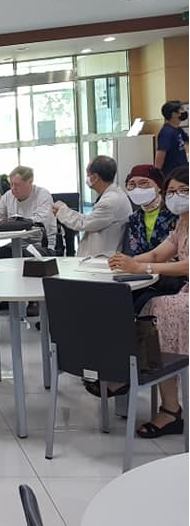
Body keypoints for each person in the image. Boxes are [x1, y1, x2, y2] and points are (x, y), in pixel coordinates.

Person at [108, 166, 189, 438]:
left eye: (184, 191)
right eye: (172, 191)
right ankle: (128, 372)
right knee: (142, 306)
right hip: (183, 291)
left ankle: (170, 409)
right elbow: (157, 254)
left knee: (159, 310)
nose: (176, 196)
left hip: (182, 290)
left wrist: (141, 268)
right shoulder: (182, 223)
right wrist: (125, 262)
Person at [53, 156, 132, 258]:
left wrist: (62, 210)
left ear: (95, 177)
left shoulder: (110, 201)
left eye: (88, 174)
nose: (87, 178)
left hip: (103, 259)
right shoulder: (112, 195)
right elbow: (90, 219)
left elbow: (84, 223)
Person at [0, 166, 57, 257]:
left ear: (30, 182)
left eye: (17, 185)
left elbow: (39, 221)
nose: (13, 188)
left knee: (21, 257)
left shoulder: (42, 195)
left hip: (42, 244)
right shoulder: (8, 196)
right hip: (17, 243)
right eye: (11, 184)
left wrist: (11, 222)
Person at [123, 164, 178, 256]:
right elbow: (134, 250)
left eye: (143, 183)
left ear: (159, 186)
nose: (137, 189)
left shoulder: (174, 214)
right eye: (132, 184)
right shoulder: (134, 218)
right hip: (141, 264)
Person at [154, 100, 189, 177]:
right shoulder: (166, 132)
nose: (184, 111)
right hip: (172, 174)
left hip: (182, 171)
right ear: (174, 114)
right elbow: (160, 154)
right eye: (181, 109)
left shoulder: (178, 129)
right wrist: (157, 175)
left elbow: (187, 140)